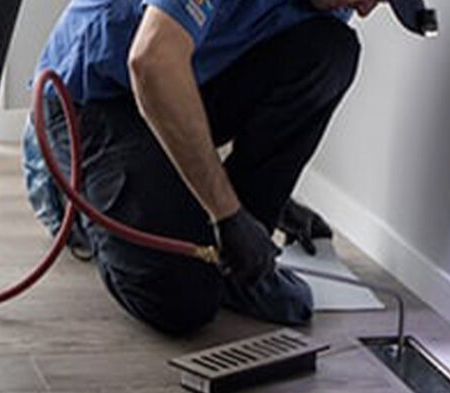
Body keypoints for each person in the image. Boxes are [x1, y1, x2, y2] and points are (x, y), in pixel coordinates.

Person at [23, 0, 377, 335]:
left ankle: (244, 267)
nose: (363, 8)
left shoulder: (334, 3)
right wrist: (227, 213)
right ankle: (67, 197)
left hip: (183, 83)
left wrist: (268, 196)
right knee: (179, 300)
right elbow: (152, 61)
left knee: (330, 50)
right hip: (100, 97)